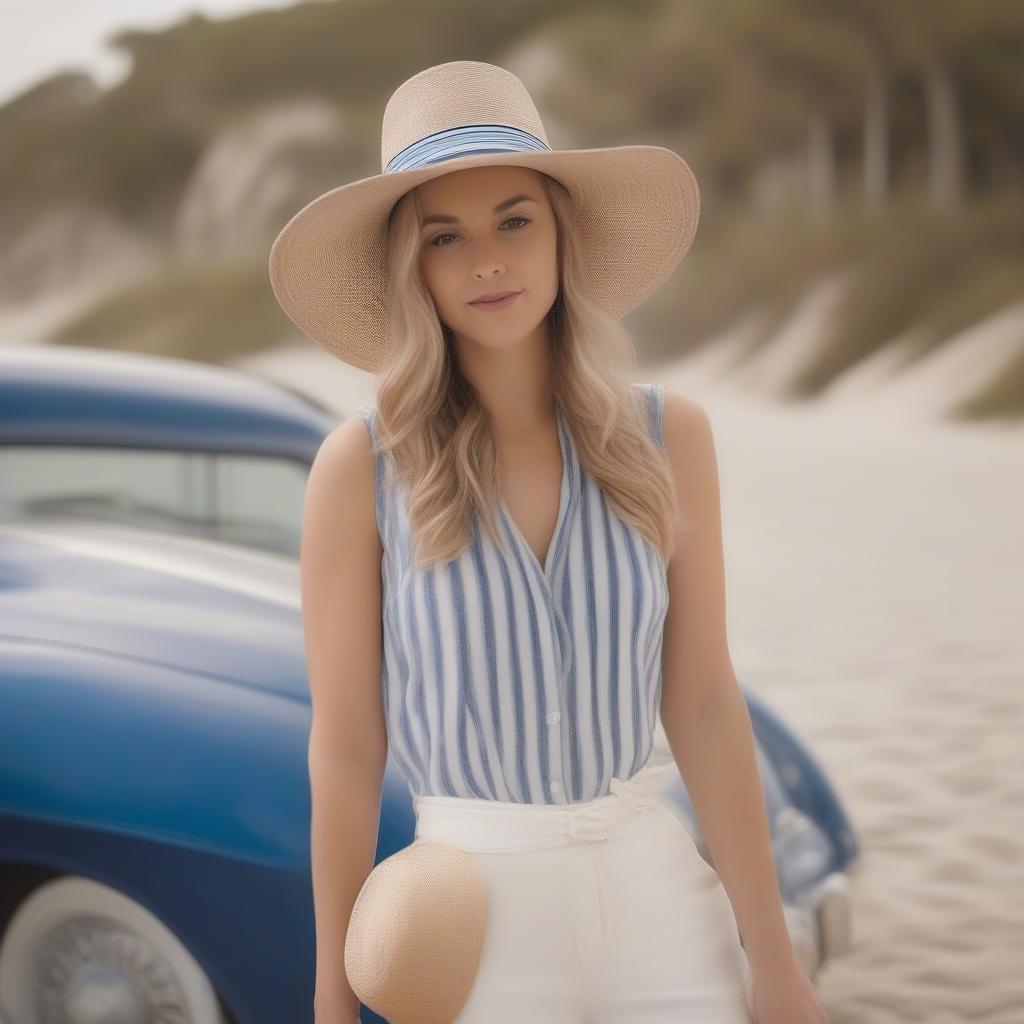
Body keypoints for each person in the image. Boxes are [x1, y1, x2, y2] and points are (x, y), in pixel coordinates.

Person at [272, 60, 828, 1024]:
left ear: (563, 233)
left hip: (661, 902)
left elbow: (701, 703)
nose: (487, 260)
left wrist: (773, 958)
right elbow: (347, 746)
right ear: (416, 269)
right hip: (468, 924)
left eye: (515, 220)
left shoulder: (669, 438)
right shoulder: (359, 469)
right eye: (447, 237)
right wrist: (331, 995)